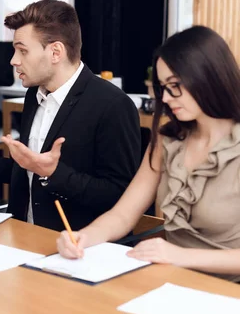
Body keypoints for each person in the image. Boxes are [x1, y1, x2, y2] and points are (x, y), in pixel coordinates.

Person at [56, 25, 240, 282]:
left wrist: (179, 256)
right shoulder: (168, 140)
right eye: (162, 87)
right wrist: (84, 237)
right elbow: (123, 215)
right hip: (170, 281)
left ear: (209, 78)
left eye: (175, 85)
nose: (165, 98)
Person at [0, 0, 141, 231]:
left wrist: (54, 173)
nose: (13, 60)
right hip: (22, 237)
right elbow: (29, 172)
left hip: (76, 248)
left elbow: (119, 196)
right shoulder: (33, 95)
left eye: (22, 51)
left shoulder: (113, 105)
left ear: (55, 52)